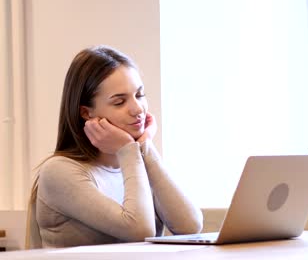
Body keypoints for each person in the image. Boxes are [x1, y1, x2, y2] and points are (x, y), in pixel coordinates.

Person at [25, 45, 203, 248]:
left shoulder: (134, 162)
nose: (138, 109)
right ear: (86, 113)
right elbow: (139, 230)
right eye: (119, 102)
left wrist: (145, 146)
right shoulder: (59, 170)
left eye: (140, 95)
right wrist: (128, 150)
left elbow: (190, 226)